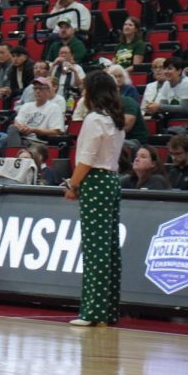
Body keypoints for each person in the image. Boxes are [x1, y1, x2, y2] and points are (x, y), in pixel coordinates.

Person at [64, 70, 127, 327]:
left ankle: (91, 312)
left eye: (85, 90)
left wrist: (73, 184)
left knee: (95, 249)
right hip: (111, 180)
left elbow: (87, 159)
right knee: (110, 248)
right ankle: (108, 309)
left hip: (95, 182)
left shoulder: (93, 119)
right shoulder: (115, 118)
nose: (82, 94)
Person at [2, 77, 66, 148]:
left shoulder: (54, 108)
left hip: (39, 142)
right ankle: (16, 155)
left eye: (41, 88)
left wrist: (34, 130)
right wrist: (21, 128)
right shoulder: (26, 106)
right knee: (10, 131)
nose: (37, 91)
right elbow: (17, 122)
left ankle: (15, 155)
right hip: (23, 138)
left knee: (5, 141)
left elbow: (56, 132)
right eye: (35, 88)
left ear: (48, 91)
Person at [144, 57, 188, 121]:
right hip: (178, 118)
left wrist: (159, 106)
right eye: (165, 68)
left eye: (170, 69)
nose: (166, 72)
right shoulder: (166, 84)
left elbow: (185, 108)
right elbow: (164, 105)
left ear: (179, 71)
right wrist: (153, 107)